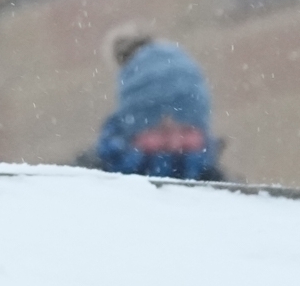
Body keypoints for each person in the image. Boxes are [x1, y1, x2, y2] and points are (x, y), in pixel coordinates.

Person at [85, 26, 225, 180]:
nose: (175, 144)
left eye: (187, 130)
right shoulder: (81, 189)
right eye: (161, 131)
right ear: (132, 131)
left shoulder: (231, 198)